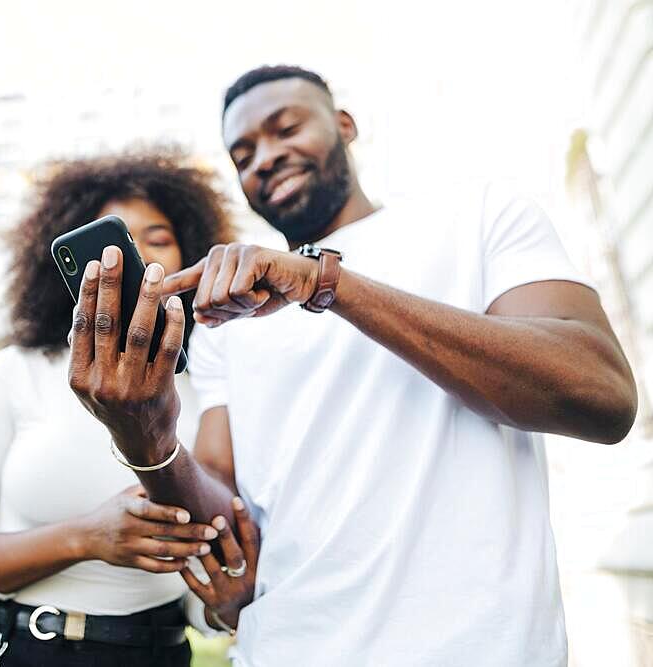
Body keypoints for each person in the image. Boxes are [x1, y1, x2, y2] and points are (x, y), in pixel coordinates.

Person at [66, 65, 638, 666]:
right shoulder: (224, 320)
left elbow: (601, 393)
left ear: (344, 125)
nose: (264, 157)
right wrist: (146, 435)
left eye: (285, 128)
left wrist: (327, 282)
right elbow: (224, 517)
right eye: (243, 154)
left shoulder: (478, 215)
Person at [0, 152, 241, 667]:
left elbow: (208, 601)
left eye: (158, 238)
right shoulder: (15, 373)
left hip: (154, 653)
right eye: (117, 243)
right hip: (16, 646)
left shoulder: (214, 391)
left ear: (191, 257)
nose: (139, 259)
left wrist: (225, 607)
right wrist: (87, 538)